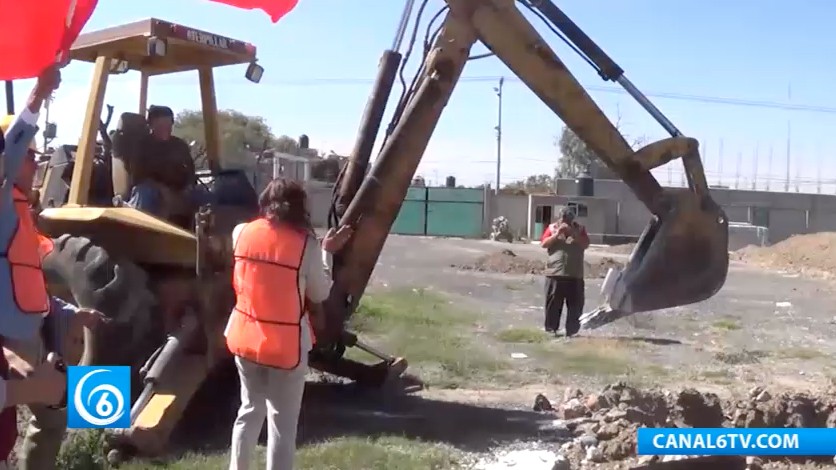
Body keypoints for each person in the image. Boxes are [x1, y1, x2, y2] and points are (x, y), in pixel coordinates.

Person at [0, 67, 109, 470]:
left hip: (32, 331)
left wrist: (66, 312)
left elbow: (21, 281)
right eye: (31, 157)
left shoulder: (20, 213)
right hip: (10, 340)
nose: (36, 164)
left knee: (52, 417)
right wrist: (39, 93)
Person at [225, 177, 352, 470]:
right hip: (286, 347)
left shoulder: (240, 233)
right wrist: (326, 252)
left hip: (245, 339)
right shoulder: (305, 245)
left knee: (249, 411)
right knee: (282, 424)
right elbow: (320, 292)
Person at [126, 105, 212, 217]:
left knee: (210, 196)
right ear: (151, 125)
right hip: (151, 190)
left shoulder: (179, 145)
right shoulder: (141, 146)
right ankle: (138, 226)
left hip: (179, 190)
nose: (165, 128)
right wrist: (161, 189)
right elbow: (137, 177)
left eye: (168, 124)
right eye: (160, 125)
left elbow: (190, 171)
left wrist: (188, 186)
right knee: (144, 193)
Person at [539, 207, 590, 337]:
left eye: (568, 218)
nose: (565, 221)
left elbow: (585, 244)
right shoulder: (552, 228)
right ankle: (551, 329)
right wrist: (556, 235)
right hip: (555, 273)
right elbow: (544, 244)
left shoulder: (580, 229)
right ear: (560, 217)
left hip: (575, 274)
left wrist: (574, 234)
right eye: (563, 218)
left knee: (575, 305)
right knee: (553, 304)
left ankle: (572, 331)